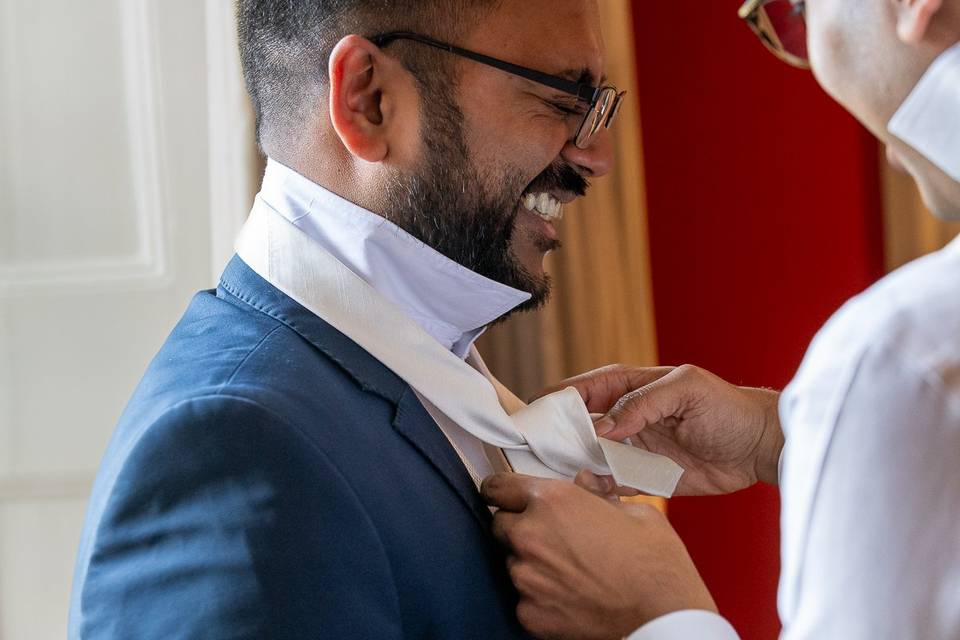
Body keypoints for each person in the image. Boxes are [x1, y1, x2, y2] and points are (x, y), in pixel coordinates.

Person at [68, 0, 640, 637]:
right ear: (368, 100)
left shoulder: (421, 373)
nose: (598, 156)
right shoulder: (233, 448)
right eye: (564, 99)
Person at [482, 0, 960, 638]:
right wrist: (782, 437)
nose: (596, 156)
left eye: (795, 11)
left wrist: (655, 618)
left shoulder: (903, 357)